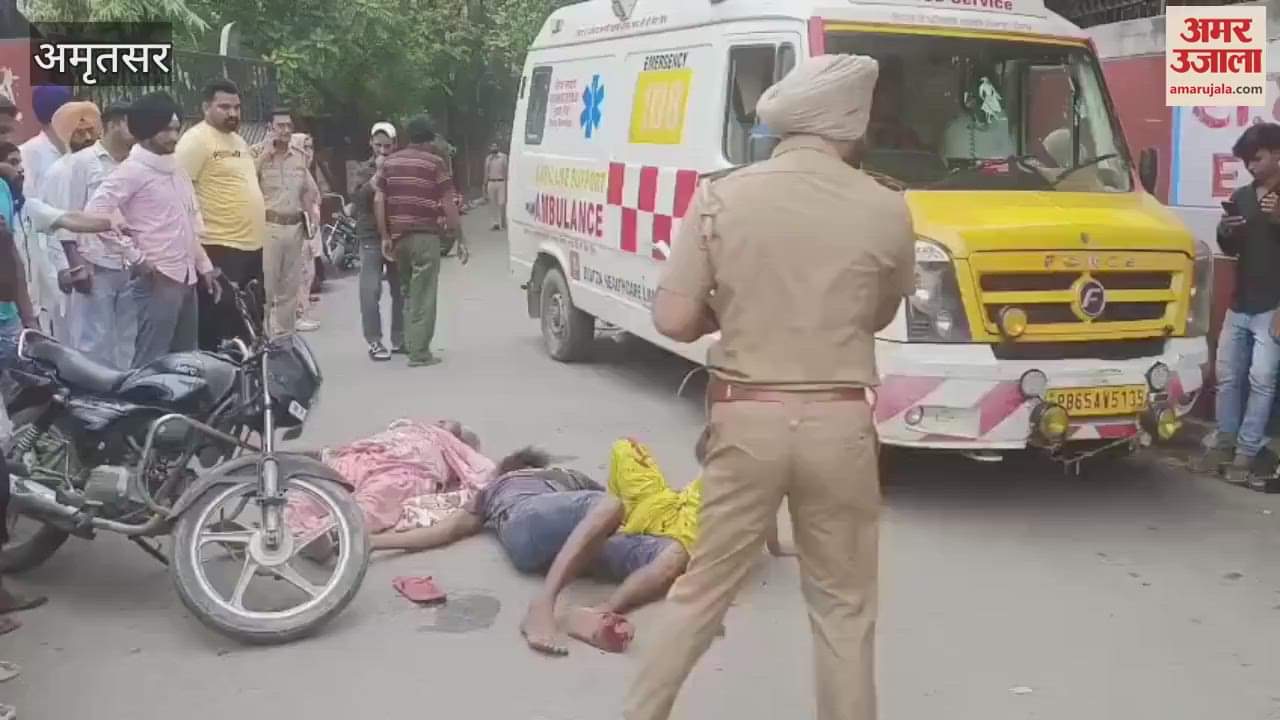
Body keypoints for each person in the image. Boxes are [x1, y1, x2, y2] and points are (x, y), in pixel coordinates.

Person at [624, 54, 915, 720]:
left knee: (701, 594)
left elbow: (672, 317)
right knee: (843, 610)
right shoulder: (886, 207)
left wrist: (733, 310)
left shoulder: (723, 195)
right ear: (851, 123)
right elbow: (882, 313)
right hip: (839, 425)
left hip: (746, 419)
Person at [83, 92, 222, 367]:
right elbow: (94, 215)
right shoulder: (131, 171)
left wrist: (204, 267)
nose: (173, 136)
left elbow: (187, 222)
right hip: (157, 280)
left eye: (175, 128)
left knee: (187, 361)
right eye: (165, 129)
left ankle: (180, 411)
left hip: (187, 277)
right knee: (152, 361)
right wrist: (138, 259)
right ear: (146, 131)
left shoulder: (176, 169)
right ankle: (143, 410)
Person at [1197, 122, 1280, 484]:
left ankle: (1247, 452)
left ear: (1278, 154)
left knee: (1262, 380)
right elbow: (1230, 249)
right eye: (1246, 160)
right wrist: (1226, 230)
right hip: (1240, 301)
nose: (1250, 166)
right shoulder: (1244, 196)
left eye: (1256, 159)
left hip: (1273, 306)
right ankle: (1225, 442)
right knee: (1227, 376)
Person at [44, 100, 138, 369]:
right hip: (93, 265)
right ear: (113, 125)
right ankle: (92, 401)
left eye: (89, 130)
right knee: (93, 342)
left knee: (126, 341)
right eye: (132, 123)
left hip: (129, 264)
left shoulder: (135, 163)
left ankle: (124, 401)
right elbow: (66, 217)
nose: (85, 136)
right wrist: (73, 265)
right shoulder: (79, 164)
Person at [175, 79, 266, 351]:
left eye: (237, 107)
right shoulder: (195, 140)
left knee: (248, 318)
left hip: (250, 246)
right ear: (206, 107)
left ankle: (247, 382)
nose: (233, 113)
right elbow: (181, 192)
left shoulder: (238, 140)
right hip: (218, 246)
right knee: (220, 322)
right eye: (224, 107)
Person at [374, 115, 468, 367]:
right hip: (425, 237)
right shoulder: (435, 163)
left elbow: (379, 200)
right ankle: (419, 352)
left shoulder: (390, 163)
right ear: (430, 139)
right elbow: (448, 203)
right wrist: (460, 237)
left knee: (407, 292)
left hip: (398, 238)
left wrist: (385, 236)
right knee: (424, 294)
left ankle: (408, 342)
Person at [251, 110, 319, 338]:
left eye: (289, 126)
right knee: (267, 289)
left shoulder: (299, 156)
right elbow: (246, 182)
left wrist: (312, 214)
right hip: (268, 227)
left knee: (290, 289)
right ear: (269, 128)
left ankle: (285, 340)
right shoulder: (255, 154)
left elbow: (308, 189)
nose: (286, 130)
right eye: (280, 126)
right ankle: (262, 339)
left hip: (295, 227)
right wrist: (265, 157)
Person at [19, 85, 72, 340]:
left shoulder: (76, 147)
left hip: (78, 235)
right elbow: (30, 203)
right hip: (45, 240)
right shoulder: (29, 152)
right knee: (56, 314)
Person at [356, 122, 403, 360]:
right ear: (370, 144)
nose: (383, 150)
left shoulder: (401, 167)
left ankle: (400, 337)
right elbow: (359, 199)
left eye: (387, 145)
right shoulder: (363, 169)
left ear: (395, 145)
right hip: (370, 236)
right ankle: (374, 341)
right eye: (378, 145)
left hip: (396, 235)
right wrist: (377, 174)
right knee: (370, 289)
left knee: (400, 289)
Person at [289, 132, 323, 332]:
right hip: (299, 229)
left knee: (308, 272)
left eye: (311, 147)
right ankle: (297, 314)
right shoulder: (294, 172)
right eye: (304, 148)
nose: (309, 152)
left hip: (310, 228)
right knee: (301, 273)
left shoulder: (305, 172)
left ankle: (302, 312)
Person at [483, 141, 508, 231]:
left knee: (502, 203)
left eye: (495, 146)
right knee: (492, 204)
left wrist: (507, 182)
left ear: (498, 147)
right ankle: (495, 223)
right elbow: (486, 172)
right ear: (490, 148)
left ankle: (503, 223)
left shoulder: (503, 157)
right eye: (492, 147)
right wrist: (484, 184)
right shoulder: (488, 158)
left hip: (501, 182)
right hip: (491, 182)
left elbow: (506, 170)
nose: (494, 148)